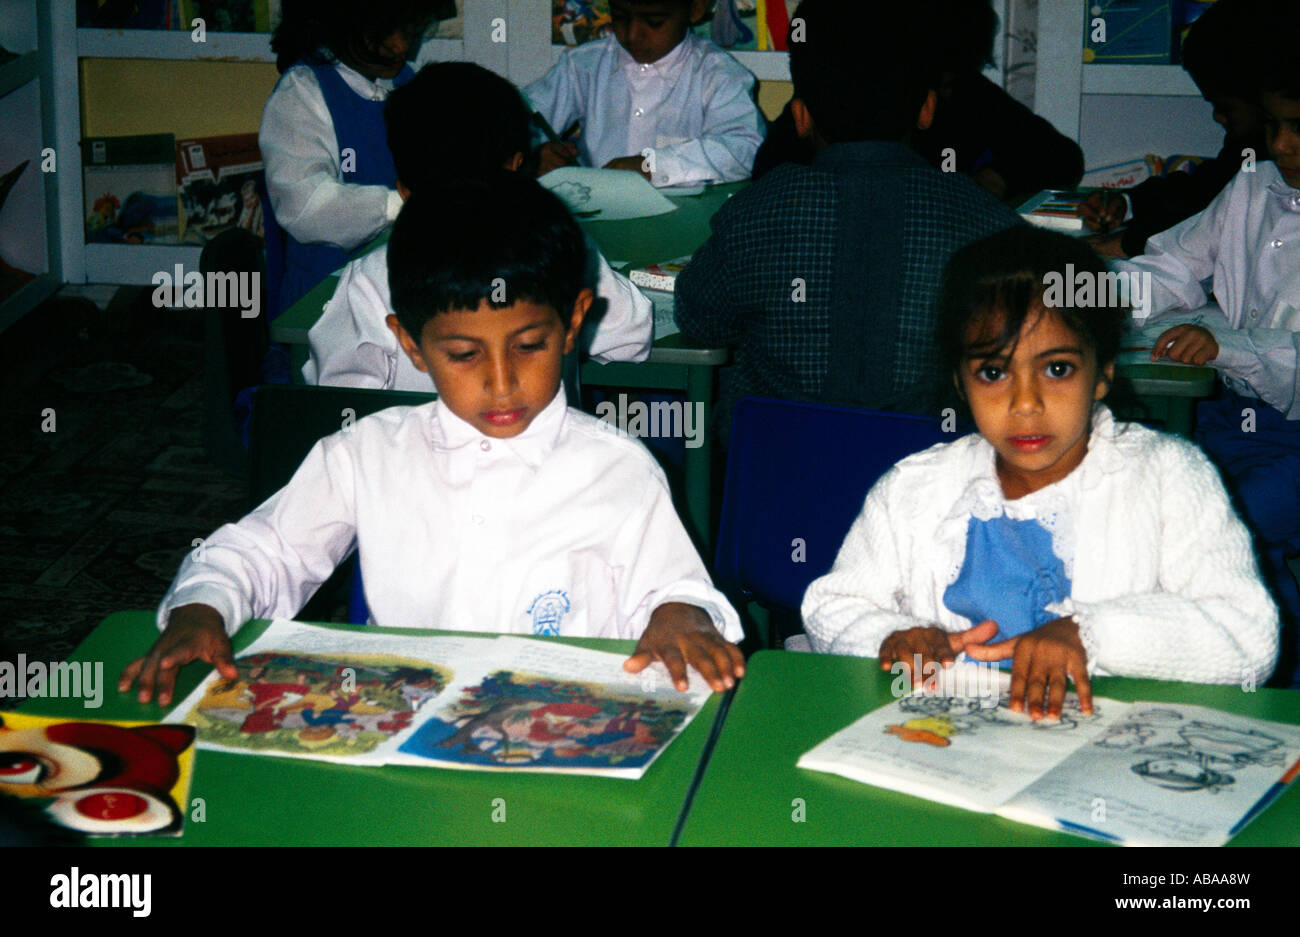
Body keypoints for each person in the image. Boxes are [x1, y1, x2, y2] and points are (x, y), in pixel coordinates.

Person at [119, 173, 744, 707]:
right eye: (464, 354)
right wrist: (203, 606)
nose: (502, 384)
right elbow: (265, 550)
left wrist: (678, 616)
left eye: (529, 346)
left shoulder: (618, 469)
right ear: (411, 343)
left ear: (575, 321)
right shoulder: (364, 455)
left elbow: (676, 588)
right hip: (409, 732)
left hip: (562, 739)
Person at [802, 227, 1279, 718]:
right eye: (993, 373)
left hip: (1100, 762)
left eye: (1057, 370)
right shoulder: (913, 488)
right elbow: (832, 607)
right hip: (945, 748)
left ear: (1103, 373)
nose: (1025, 404)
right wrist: (892, 639)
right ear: (960, 383)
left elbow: (1248, 640)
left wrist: (1089, 634)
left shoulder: (1169, 476)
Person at [675, 0, 1022, 440]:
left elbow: (698, 316)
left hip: (773, 489)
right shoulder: (991, 228)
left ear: (800, 116)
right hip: (934, 489)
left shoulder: (756, 211)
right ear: (927, 109)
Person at [1112, 6, 1300, 686]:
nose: (1280, 144)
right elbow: (1172, 267)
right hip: (1237, 417)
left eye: (1297, 127)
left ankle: (1272, 686)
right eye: (1275, 123)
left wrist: (1224, 348)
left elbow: (1291, 364)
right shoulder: (1254, 189)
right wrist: (1081, 295)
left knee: (1229, 528)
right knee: (1147, 500)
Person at [303, 62, 652, 391]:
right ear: (518, 167)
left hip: (417, 455)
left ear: (405, 192)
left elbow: (340, 404)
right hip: (539, 454)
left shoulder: (368, 279)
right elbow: (634, 333)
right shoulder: (560, 249)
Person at [752, 0, 1084, 198]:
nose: (939, 95)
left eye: (950, 83)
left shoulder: (967, 93)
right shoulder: (837, 92)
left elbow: (1060, 157)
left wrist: (997, 177)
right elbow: (768, 172)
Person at [260, 0, 440, 316]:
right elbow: (306, 208)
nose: (401, 45)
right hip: (325, 302)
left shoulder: (403, 82)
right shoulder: (302, 92)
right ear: (337, 26)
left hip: (394, 288)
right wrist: (401, 205)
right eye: (381, 35)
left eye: (409, 29)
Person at [1079, 0, 1272, 258]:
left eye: (1225, 106)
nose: (1217, 117)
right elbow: (1202, 190)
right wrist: (1127, 203)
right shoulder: (1248, 145)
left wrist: (1132, 242)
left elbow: (1216, 216)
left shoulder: (1271, 154)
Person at [524, 0, 765, 186]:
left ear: (694, 9)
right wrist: (535, 156)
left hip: (682, 233)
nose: (631, 35)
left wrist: (654, 166)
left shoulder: (719, 74)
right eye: (619, 17)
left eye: (654, 22)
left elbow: (746, 148)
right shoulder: (582, 65)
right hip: (595, 227)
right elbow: (517, 120)